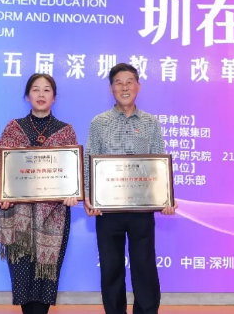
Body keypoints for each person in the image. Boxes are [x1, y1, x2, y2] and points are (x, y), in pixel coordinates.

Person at [83, 63, 177, 314]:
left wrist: (167, 198)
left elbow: (158, 162)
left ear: (138, 86)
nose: (124, 87)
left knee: (144, 267)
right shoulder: (99, 123)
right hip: (107, 210)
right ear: (111, 89)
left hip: (141, 209)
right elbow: (89, 160)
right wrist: (88, 197)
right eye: (118, 83)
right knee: (111, 267)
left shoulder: (150, 122)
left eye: (129, 82)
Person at [0, 73, 79, 314]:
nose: (41, 94)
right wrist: (2, 194)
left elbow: (73, 176)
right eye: (35, 89)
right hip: (18, 217)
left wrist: (73, 193)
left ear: (54, 97)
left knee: (46, 283)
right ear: (27, 96)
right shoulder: (13, 128)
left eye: (46, 90)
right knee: (23, 283)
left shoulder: (66, 132)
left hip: (53, 218)